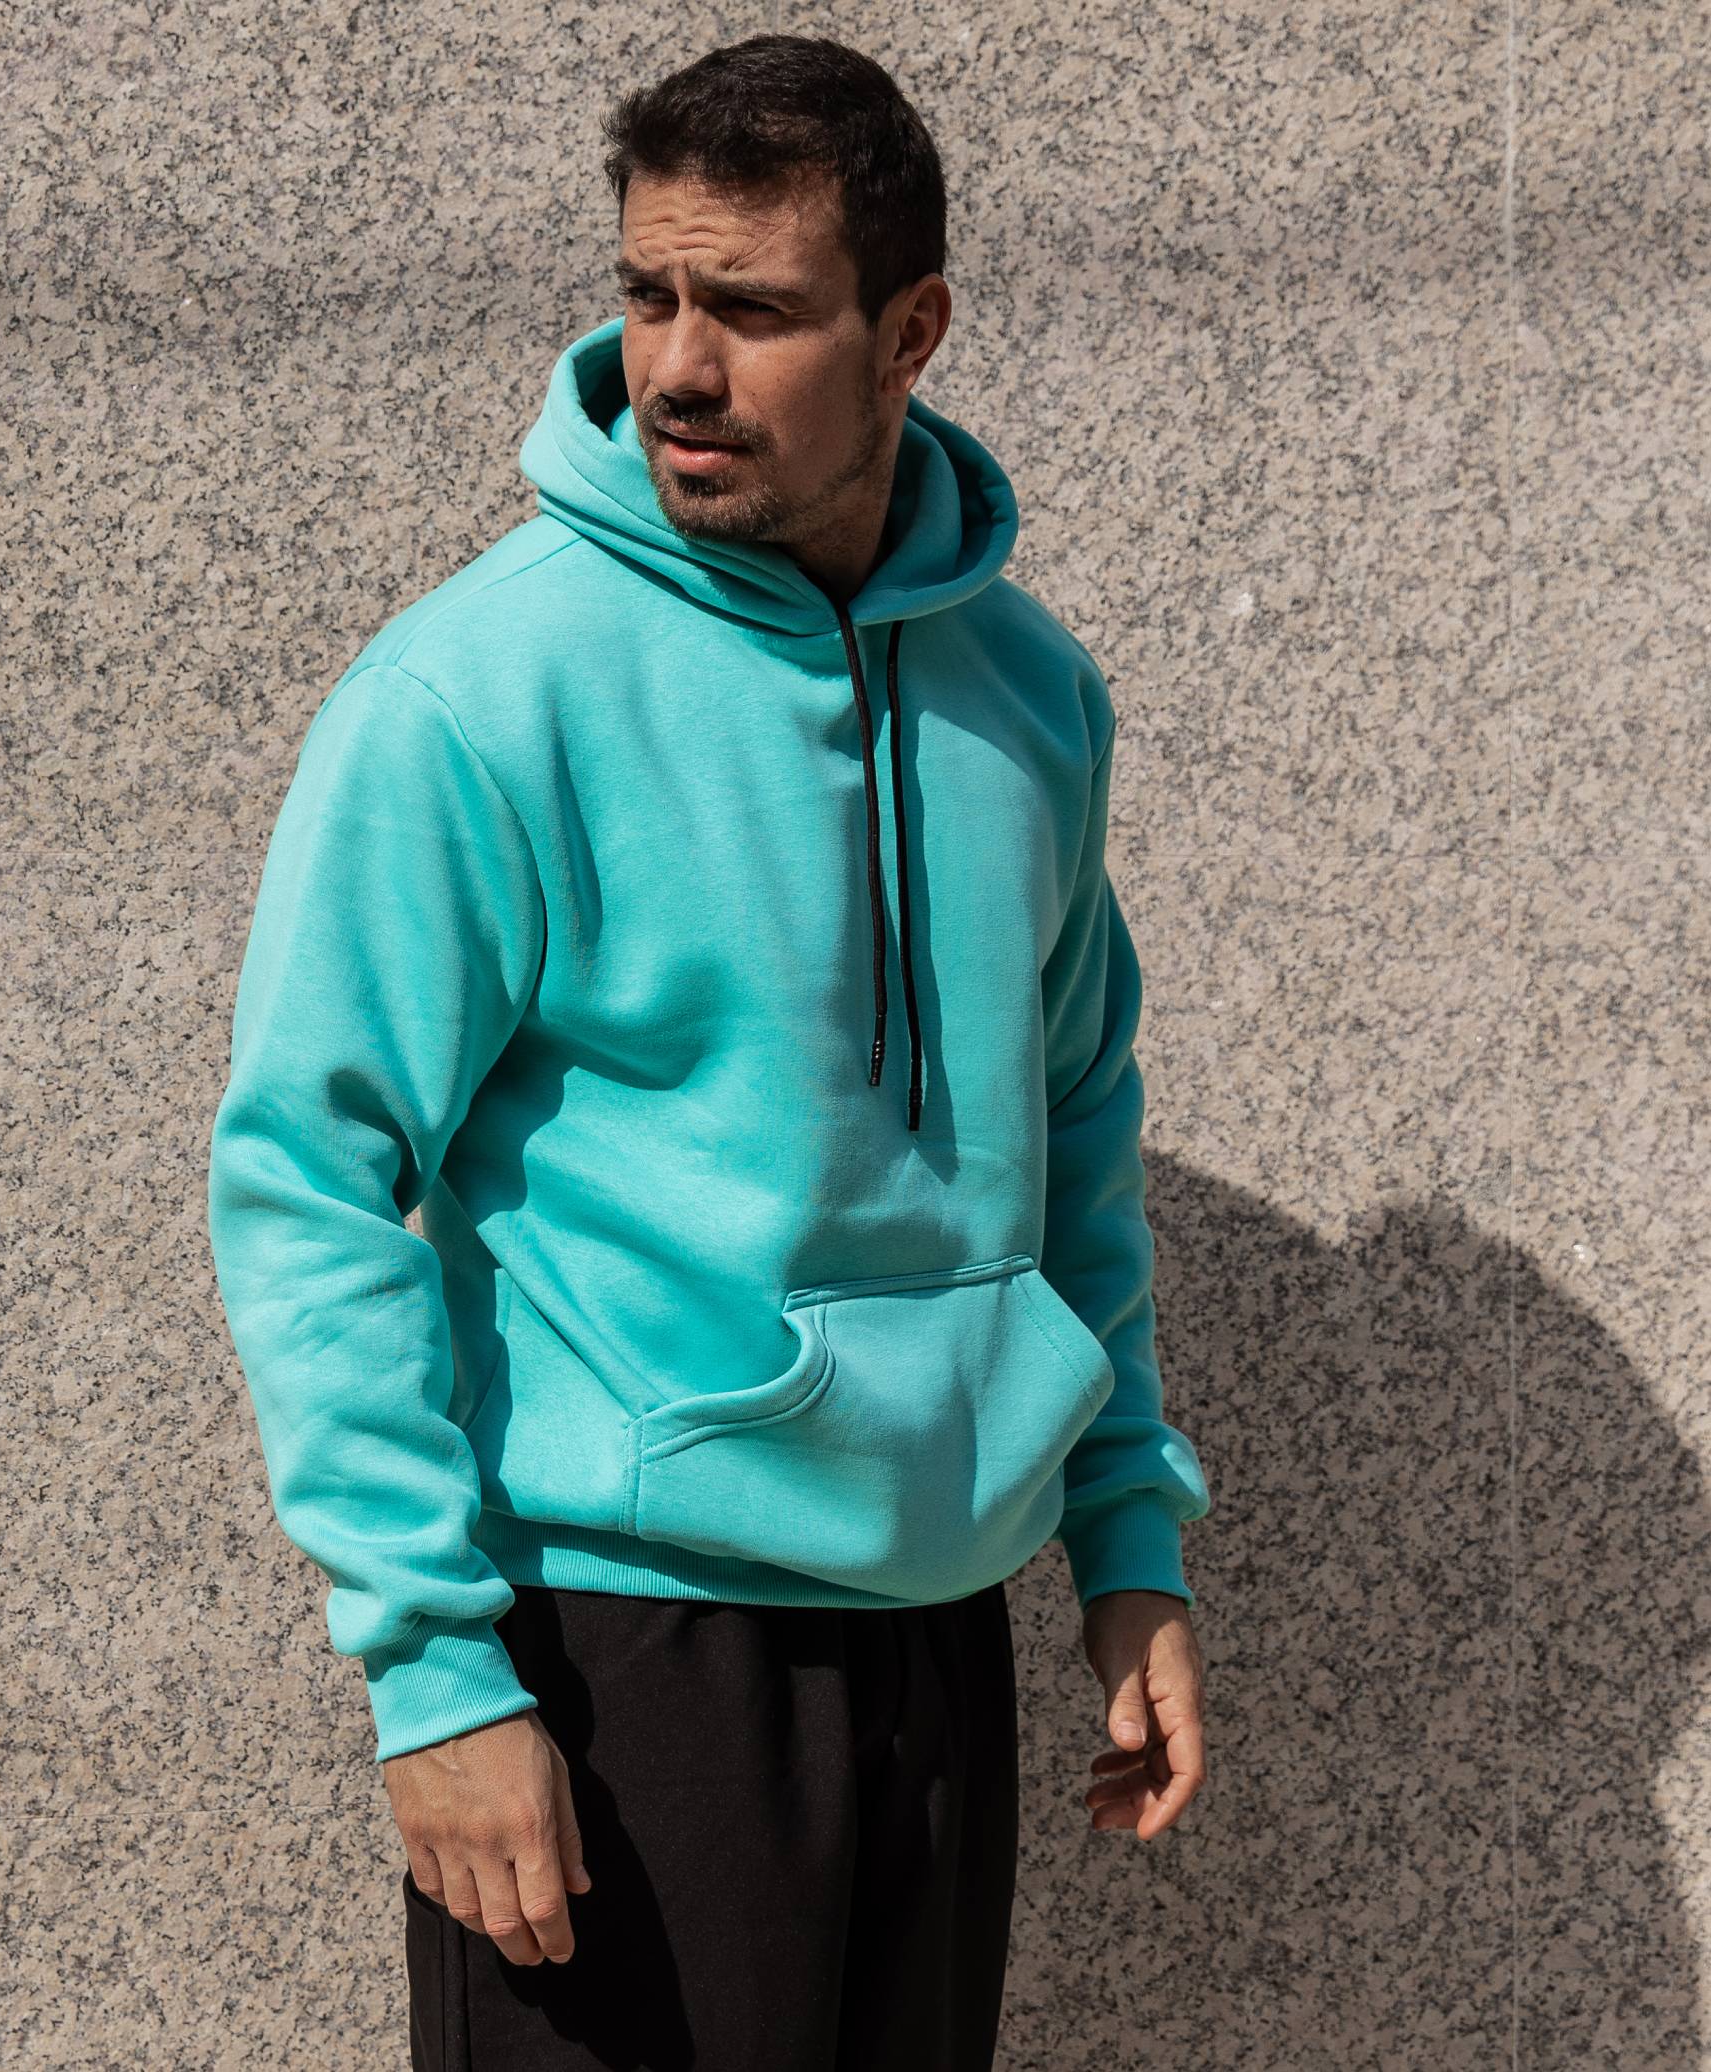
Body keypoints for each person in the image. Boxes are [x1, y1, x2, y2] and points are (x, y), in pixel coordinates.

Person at [207, 32, 1212, 2071]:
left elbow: (1074, 1128)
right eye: (648, 292)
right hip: (613, 1652)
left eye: (750, 309)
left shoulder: (1026, 699)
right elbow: (308, 1175)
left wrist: (1127, 1535)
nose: (673, 364)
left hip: (935, 1636)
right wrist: (435, 1676)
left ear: (909, 331)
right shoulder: (476, 694)